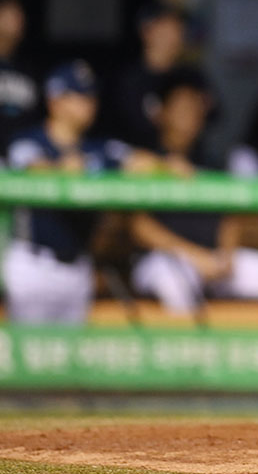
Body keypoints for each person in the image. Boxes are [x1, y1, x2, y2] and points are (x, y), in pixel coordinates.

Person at [127, 70, 258, 317]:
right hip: (164, 259)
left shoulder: (213, 159)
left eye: (195, 108)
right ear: (162, 112)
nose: (189, 115)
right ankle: (186, 344)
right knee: (177, 282)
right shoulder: (144, 160)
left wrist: (226, 254)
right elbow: (139, 227)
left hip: (212, 260)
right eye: (182, 107)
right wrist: (194, 256)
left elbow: (228, 217)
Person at [2, 61, 148, 323]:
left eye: (91, 96)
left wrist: (170, 165)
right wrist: (64, 169)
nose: (89, 103)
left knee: (71, 349)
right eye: (79, 96)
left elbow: (142, 162)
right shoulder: (28, 140)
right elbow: (33, 168)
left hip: (78, 267)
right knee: (30, 347)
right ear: (55, 101)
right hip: (35, 264)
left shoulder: (98, 148)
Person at [108, 2, 213, 150]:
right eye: (166, 28)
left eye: (178, 29)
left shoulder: (191, 76)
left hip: (185, 158)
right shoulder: (127, 79)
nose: (173, 35)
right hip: (138, 158)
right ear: (146, 31)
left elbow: (215, 113)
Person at [0, 0, 38, 156]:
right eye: (11, 15)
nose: (18, 21)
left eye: (20, 16)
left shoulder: (29, 69)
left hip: (20, 157)